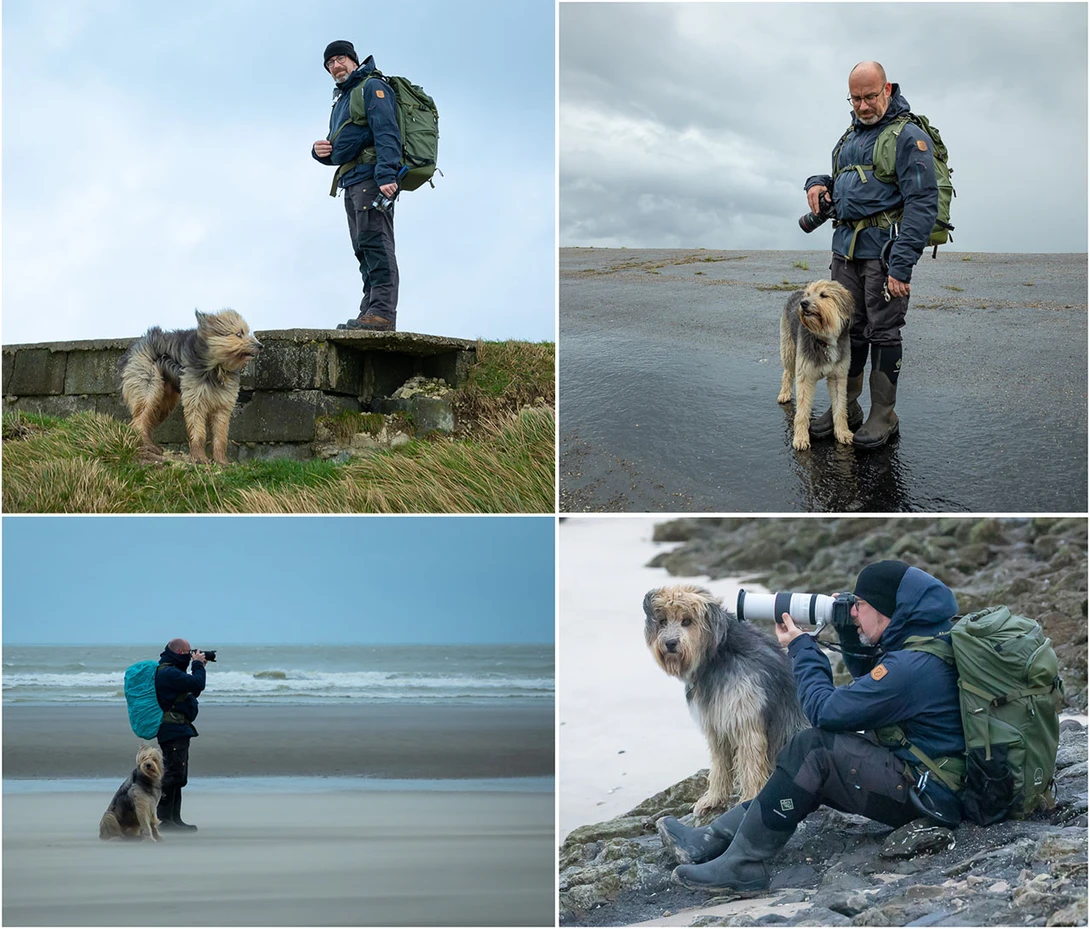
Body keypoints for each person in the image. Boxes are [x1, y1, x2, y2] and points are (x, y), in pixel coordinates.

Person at [658, 560, 964, 894]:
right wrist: (849, 633)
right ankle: (711, 838)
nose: (854, 612)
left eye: (860, 606)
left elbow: (824, 713)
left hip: (933, 797)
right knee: (822, 754)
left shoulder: (910, 666)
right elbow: (871, 690)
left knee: (814, 748)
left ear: (887, 608)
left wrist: (802, 649)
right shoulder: (924, 640)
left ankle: (744, 864)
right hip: (938, 781)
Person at [804, 62, 938, 449]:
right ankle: (846, 406)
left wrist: (901, 266)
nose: (862, 106)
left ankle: (884, 414)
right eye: (856, 98)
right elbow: (843, 179)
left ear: (888, 89)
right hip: (845, 253)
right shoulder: (850, 136)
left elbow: (922, 202)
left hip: (883, 254)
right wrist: (817, 183)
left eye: (869, 97)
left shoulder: (908, 136)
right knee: (846, 329)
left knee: (883, 331)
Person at [312, 40, 402, 332]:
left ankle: (383, 314)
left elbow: (387, 131)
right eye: (330, 64)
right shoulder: (343, 97)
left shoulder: (371, 88)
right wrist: (320, 153)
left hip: (371, 178)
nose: (335, 67)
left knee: (376, 242)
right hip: (351, 181)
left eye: (340, 60)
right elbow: (344, 143)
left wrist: (388, 175)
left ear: (353, 60)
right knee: (363, 246)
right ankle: (369, 312)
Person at [154, 638, 207, 831]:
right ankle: (164, 820)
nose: (190, 655)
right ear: (179, 652)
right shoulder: (168, 672)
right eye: (188, 653)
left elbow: (191, 690)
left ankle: (175, 819)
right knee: (172, 775)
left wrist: (197, 666)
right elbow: (198, 684)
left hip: (178, 728)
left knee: (178, 776)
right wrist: (198, 665)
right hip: (172, 729)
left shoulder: (173, 672)